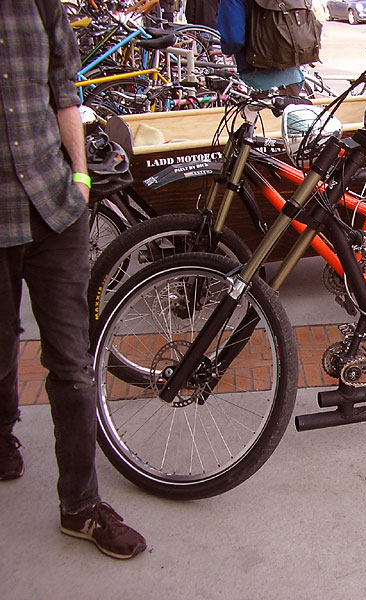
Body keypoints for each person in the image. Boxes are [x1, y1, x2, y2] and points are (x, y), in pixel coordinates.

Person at [0, 2, 146, 559]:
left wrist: (81, 176)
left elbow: (65, 91)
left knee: (72, 362)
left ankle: (81, 507)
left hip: (54, 205)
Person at [217, 0, 305, 95]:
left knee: (256, 108)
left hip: (257, 78)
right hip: (292, 74)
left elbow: (233, 40)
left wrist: (227, 50)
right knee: (291, 108)